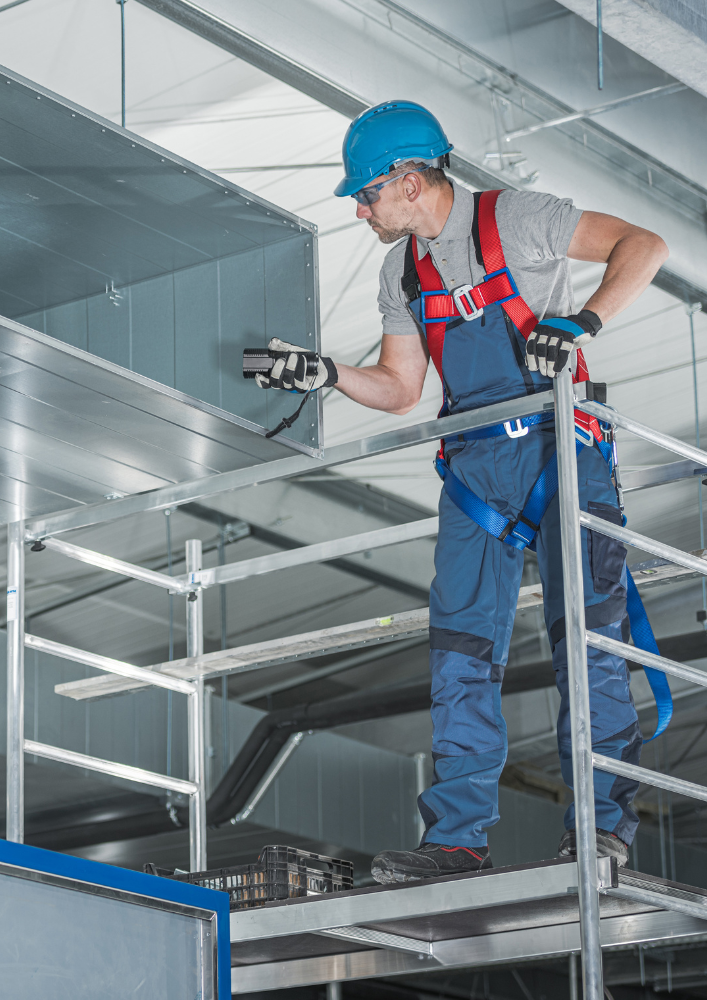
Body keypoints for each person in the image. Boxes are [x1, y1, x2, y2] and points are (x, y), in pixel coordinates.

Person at [254, 100, 670, 883]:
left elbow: (644, 246)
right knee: (460, 654)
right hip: (475, 472)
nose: (360, 208)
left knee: (588, 642)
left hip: (562, 450)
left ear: (409, 182)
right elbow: (401, 386)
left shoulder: (517, 219)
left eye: (366, 193)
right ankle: (456, 840)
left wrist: (582, 323)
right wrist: (326, 374)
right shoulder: (401, 273)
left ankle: (600, 828)